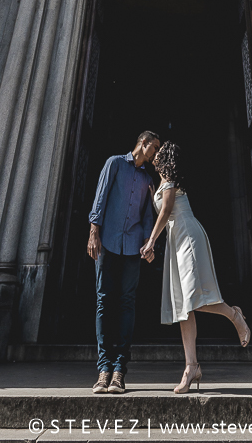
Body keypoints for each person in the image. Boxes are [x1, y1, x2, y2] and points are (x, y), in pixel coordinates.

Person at [140, 141, 250, 394]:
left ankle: (235, 315)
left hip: (187, 237)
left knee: (194, 299)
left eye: (158, 153)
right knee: (183, 307)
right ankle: (191, 368)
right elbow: (162, 206)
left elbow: (167, 210)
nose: (154, 155)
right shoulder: (161, 184)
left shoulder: (169, 183)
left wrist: (151, 242)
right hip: (176, 241)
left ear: (164, 159)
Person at [88, 130, 161, 394]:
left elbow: (146, 217)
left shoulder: (147, 178)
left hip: (132, 247)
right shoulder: (115, 163)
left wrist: (148, 243)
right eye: (154, 149)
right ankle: (103, 368)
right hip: (107, 241)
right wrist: (93, 232)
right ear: (143, 144)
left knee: (127, 302)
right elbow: (101, 197)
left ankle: (119, 369)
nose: (155, 156)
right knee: (103, 299)